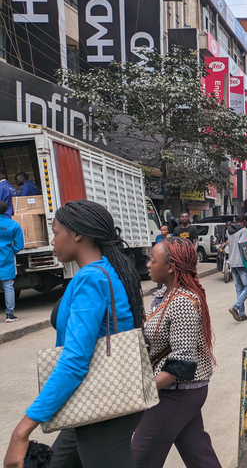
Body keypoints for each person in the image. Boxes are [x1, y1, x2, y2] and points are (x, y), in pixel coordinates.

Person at [4, 200, 145, 468]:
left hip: (102, 407)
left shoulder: (92, 278)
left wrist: (21, 431)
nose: (53, 241)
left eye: (56, 233)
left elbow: (75, 360)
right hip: (90, 400)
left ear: (78, 234)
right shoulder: (105, 271)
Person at [132, 238, 220, 467]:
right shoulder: (164, 295)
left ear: (171, 267)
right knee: (198, 453)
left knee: (139, 456)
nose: (148, 264)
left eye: (153, 259)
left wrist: (142, 389)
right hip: (178, 390)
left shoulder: (182, 301)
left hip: (177, 392)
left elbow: (182, 362)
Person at [227, 215, 247, 321]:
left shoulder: (229, 231)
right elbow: (246, 248)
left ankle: (242, 313)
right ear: (244, 221)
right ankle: (235, 307)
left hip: (232, 262)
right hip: (241, 263)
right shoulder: (243, 230)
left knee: (239, 288)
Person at [0, 202, 24, 322]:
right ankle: (10, 315)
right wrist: (11, 251)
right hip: (6, 257)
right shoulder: (13, 224)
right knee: (8, 286)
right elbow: (20, 244)